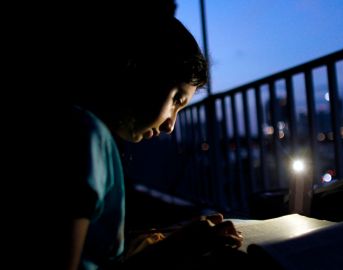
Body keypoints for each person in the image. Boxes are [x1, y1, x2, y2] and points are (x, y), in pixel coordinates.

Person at [29, 2, 243, 270]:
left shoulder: (88, 133)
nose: (170, 126)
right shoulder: (85, 136)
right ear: (142, 73)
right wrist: (175, 250)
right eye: (176, 99)